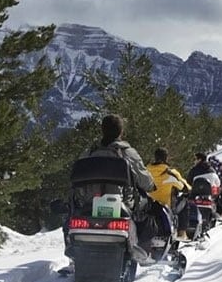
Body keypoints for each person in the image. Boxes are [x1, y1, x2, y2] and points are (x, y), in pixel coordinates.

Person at [65, 114, 156, 266]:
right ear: (121, 132)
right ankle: (142, 252)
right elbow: (145, 181)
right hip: (121, 204)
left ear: (102, 130)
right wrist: (151, 186)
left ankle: (73, 257)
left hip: (90, 203)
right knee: (148, 213)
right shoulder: (128, 152)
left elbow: (76, 177)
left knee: (69, 216)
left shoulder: (89, 152)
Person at [147, 147, 197, 240]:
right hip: (166, 206)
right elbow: (184, 187)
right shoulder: (170, 173)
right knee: (185, 202)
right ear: (166, 158)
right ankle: (182, 233)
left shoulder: (147, 170)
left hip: (149, 205)